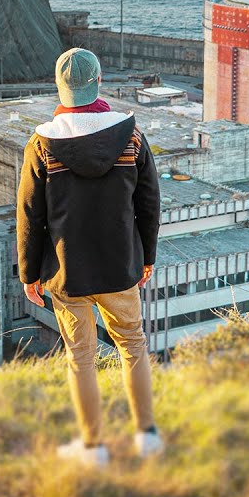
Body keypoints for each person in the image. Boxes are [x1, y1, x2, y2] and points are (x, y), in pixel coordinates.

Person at [16, 48, 163, 466]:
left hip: (67, 273)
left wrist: (29, 273)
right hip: (120, 269)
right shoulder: (131, 136)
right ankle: (146, 436)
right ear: (98, 82)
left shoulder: (42, 143)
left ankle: (93, 447)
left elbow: (29, 214)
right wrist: (146, 256)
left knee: (81, 358)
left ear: (59, 88)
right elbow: (149, 202)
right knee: (132, 346)